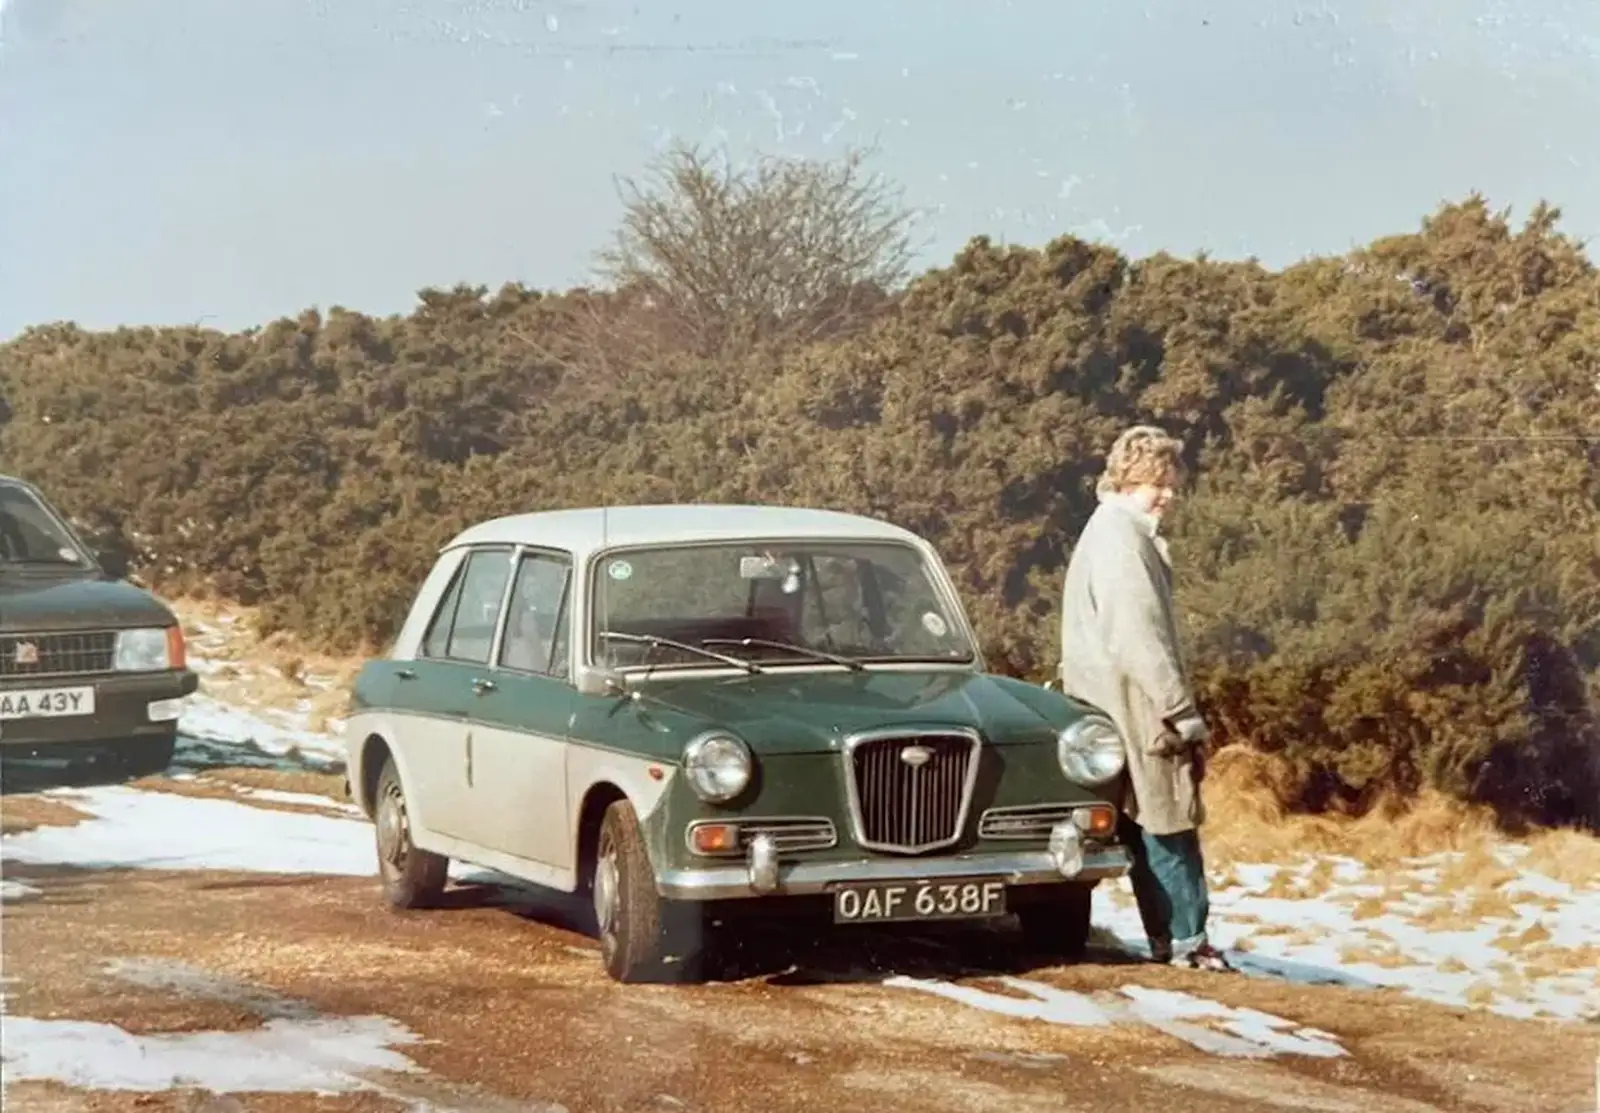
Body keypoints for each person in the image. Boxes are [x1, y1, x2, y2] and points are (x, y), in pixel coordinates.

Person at [1057, 424, 1232, 972]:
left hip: (1111, 704)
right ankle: (1189, 944)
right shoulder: (1121, 538)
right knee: (1169, 820)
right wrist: (1179, 709)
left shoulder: (1109, 530)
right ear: (1129, 480)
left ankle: (1171, 943)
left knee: (1144, 823)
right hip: (1139, 706)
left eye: (1171, 483)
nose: (1168, 495)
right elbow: (1140, 637)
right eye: (1159, 483)